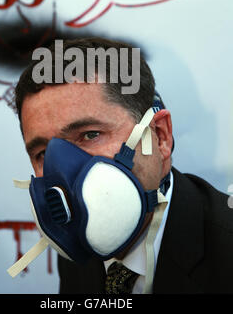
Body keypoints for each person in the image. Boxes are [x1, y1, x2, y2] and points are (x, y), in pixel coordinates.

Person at [14, 36, 233, 294]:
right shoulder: (80, 249)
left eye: (90, 135)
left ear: (160, 137)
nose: (62, 172)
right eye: (42, 153)